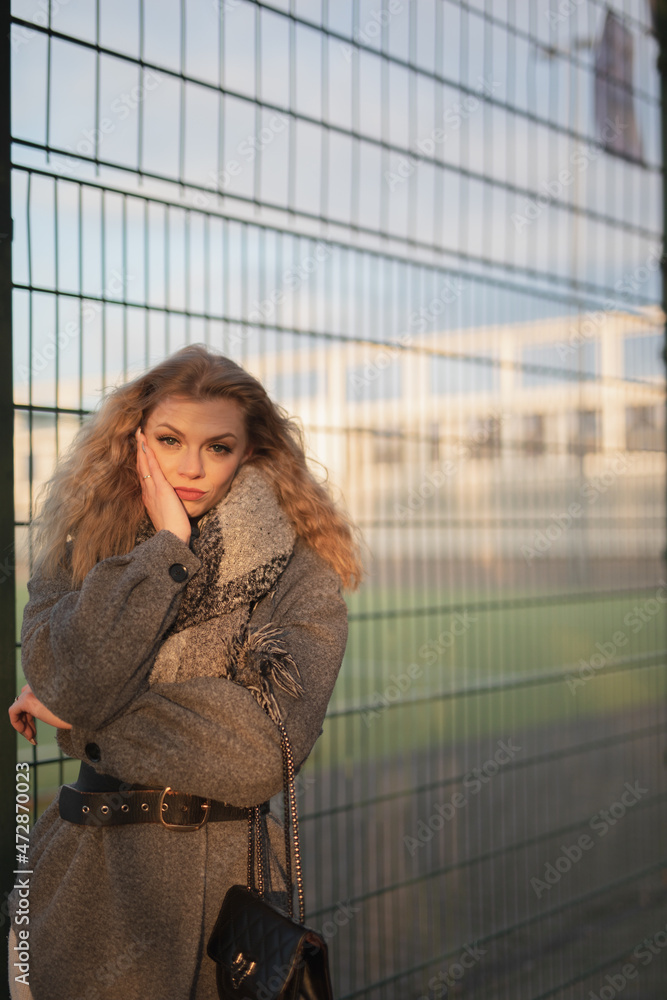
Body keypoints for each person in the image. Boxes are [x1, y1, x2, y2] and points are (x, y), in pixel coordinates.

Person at [7, 344, 362, 1000]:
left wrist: (86, 713)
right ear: (134, 441)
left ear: (251, 453)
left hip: (219, 885)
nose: (191, 467)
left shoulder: (300, 576)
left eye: (218, 447)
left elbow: (257, 756)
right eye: (170, 440)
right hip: (79, 877)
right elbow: (64, 674)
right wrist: (163, 554)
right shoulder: (78, 551)